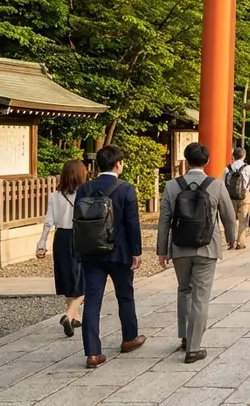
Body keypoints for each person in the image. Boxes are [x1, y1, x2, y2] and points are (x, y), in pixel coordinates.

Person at [157, 142, 237, 363]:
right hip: (207, 247)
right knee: (201, 296)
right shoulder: (216, 185)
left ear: (186, 160)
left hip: (180, 247)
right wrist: (232, 238)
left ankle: (184, 336)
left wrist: (162, 250)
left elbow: (164, 221)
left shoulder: (172, 186)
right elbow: (228, 216)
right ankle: (194, 348)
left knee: (184, 290)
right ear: (207, 161)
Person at [77, 144, 144, 368]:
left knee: (92, 301)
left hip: (91, 251)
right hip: (119, 251)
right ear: (118, 163)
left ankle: (93, 352)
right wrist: (136, 251)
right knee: (124, 295)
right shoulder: (125, 189)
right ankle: (129, 337)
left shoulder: (84, 189)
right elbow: (132, 223)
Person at [36, 159, 87, 337]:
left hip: (60, 238)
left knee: (67, 278)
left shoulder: (55, 195)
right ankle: (68, 314)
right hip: (79, 236)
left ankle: (75, 318)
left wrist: (42, 243)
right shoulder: (84, 194)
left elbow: (48, 221)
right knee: (83, 280)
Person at [225, 146, 250, 249]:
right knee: (243, 220)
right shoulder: (248, 168)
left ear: (233, 156)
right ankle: (240, 242)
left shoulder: (227, 168)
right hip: (244, 196)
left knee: (231, 220)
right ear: (244, 156)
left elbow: (223, 184)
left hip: (230, 197)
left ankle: (230, 242)